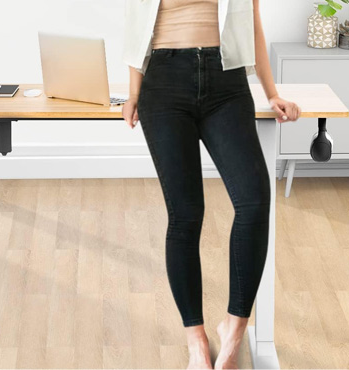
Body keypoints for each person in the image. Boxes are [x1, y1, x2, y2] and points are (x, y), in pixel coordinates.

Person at [121, 0, 301, 368]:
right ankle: (196, 342)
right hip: (165, 83)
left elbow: (253, 24)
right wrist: (134, 94)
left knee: (254, 201)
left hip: (226, 82)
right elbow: (137, 24)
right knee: (186, 214)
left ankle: (234, 330)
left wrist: (271, 93)